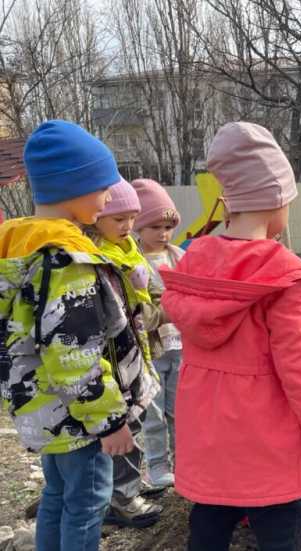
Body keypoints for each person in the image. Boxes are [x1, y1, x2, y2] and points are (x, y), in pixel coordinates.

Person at [160, 122, 301, 551]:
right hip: (268, 445)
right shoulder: (284, 278)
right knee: (283, 527)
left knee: (208, 527)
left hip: (207, 439)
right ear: (277, 199)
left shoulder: (194, 263)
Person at [0, 120, 155, 551]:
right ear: (76, 187)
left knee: (57, 495)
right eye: (104, 187)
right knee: (88, 502)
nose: (109, 196)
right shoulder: (66, 261)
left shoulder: (22, 246)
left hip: (47, 409)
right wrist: (109, 421)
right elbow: (73, 353)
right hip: (80, 416)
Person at [86, 179, 163, 528]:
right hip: (114, 357)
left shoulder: (127, 247)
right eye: (119, 219)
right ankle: (122, 497)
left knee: (136, 421)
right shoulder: (96, 256)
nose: (128, 225)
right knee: (122, 426)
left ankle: (128, 485)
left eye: (133, 217)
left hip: (135, 350)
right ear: (96, 217)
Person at [132, 178, 184, 491]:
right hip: (151, 350)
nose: (163, 233)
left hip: (182, 345)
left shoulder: (179, 257)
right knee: (153, 413)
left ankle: (184, 463)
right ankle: (157, 466)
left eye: (168, 227)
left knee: (180, 410)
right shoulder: (133, 260)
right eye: (154, 227)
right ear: (138, 226)